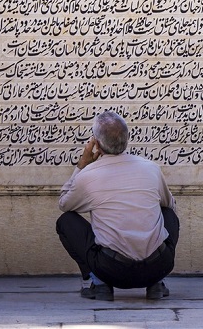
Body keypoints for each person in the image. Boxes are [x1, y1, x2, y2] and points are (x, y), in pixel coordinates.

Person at [56, 111, 179, 301]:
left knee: (66, 221)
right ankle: (156, 284)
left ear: (95, 143)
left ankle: (99, 284)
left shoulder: (88, 175)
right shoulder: (150, 168)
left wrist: (82, 165)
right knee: (168, 213)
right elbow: (171, 205)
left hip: (112, 270)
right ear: (127, 139)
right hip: (158, 266)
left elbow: (64, 203)